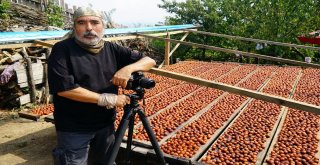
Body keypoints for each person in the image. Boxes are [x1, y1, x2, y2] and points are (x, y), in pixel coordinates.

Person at [48, 7, 156, 165]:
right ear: (74, 26)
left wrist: (128, 68)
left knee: (105, 161)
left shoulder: (111, 48)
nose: (89, 28)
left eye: (94, 22)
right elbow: (65, 89)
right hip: (74, 126)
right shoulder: (62, 50)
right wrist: (106, 99)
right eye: (82, 23)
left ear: (102, 26)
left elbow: (150, 61)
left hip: (105, 124)